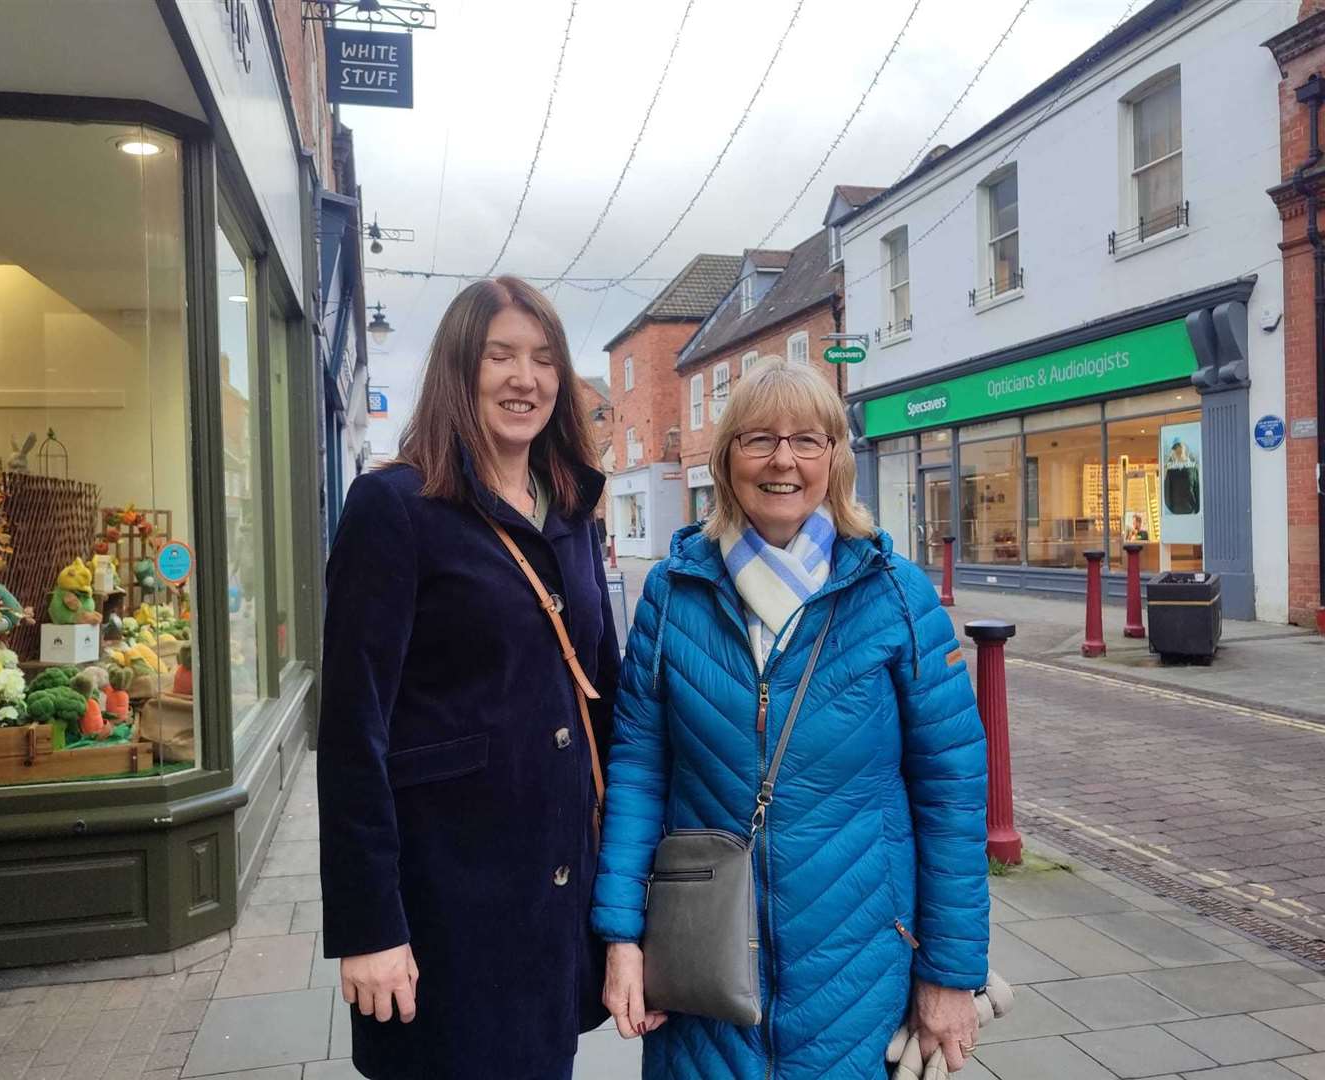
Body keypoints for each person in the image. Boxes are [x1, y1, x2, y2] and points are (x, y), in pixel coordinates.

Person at [592, 359, 990, 1078]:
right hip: (702, 964)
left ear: (835, 458)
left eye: (807, 440)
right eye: (759, 439)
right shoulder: (673, 595)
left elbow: (952, 790)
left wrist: (951, 972)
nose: (783, 460)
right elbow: (639, 772)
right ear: (726, 459)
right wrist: (623, 935)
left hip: (858, 967)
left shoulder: (896, 597)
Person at [318, 277, 618, 1080]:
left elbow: (605, 698)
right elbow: (351, 732)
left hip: (555, 895)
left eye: (545, 359)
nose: (526, 378)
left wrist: (623, 901)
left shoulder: (572, 509)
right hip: (445, 902)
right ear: (459, 367)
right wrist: (368, 926)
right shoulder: (394, 508)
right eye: (501, 356)